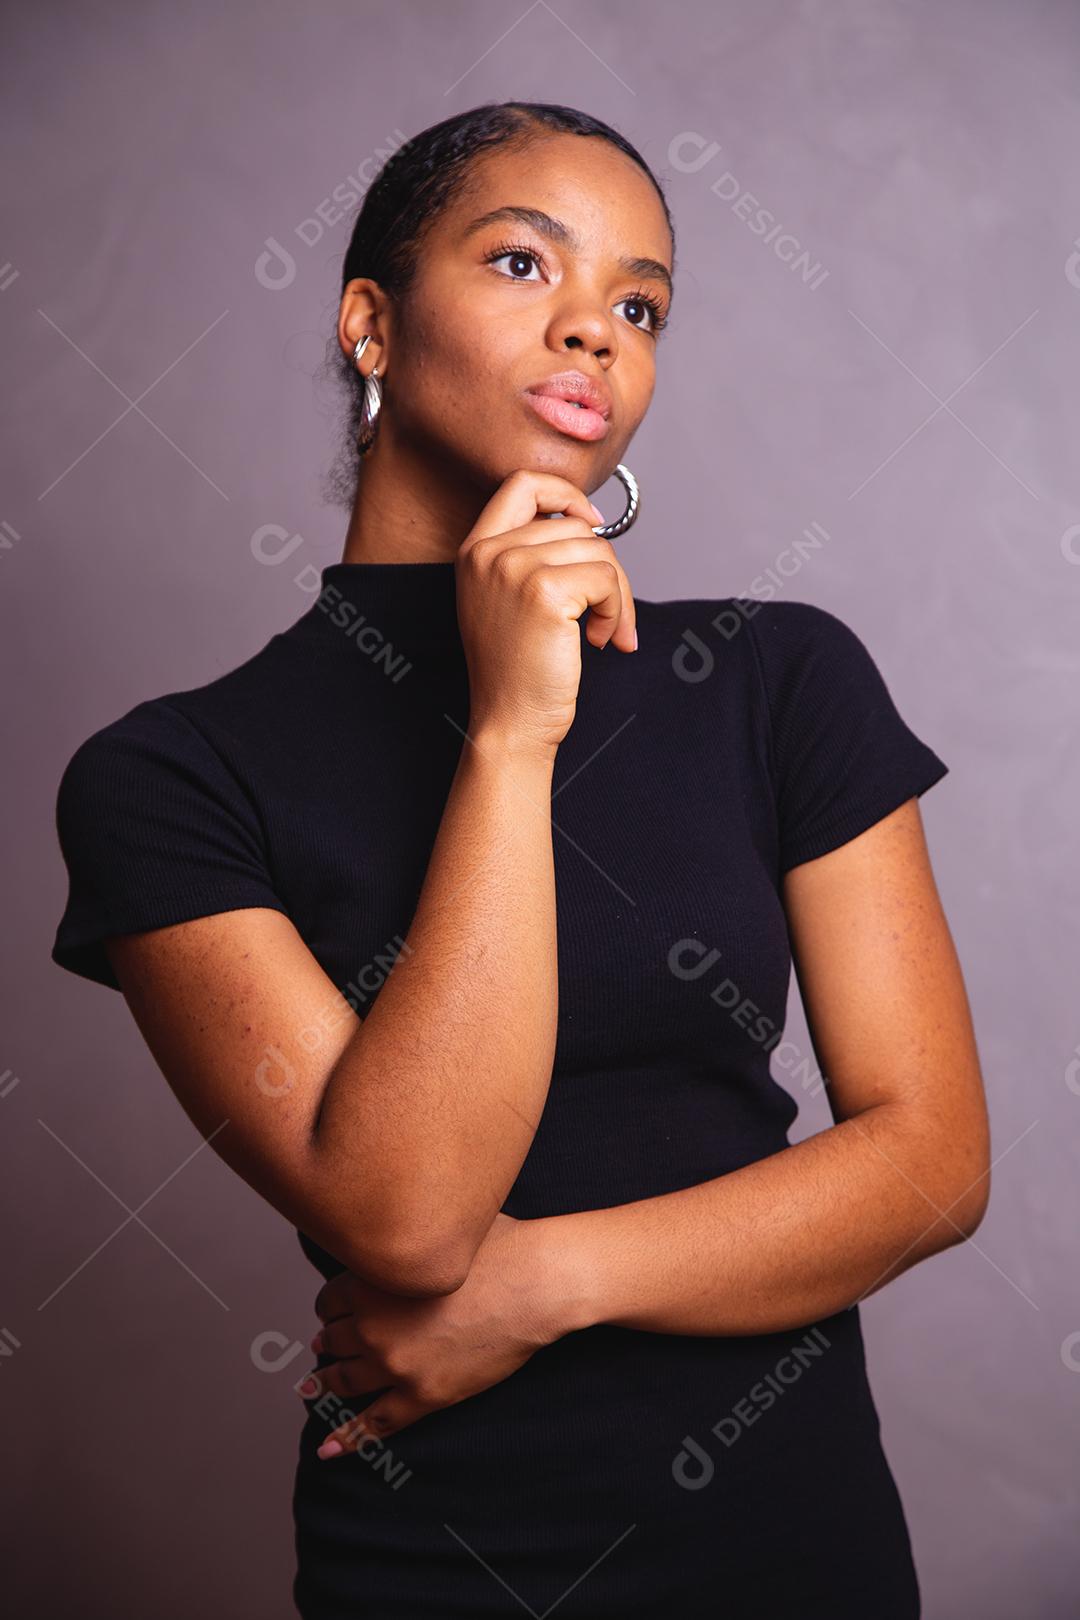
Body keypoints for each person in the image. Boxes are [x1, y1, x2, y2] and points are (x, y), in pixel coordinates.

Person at [50, 100, 990, 1619]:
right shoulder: (170, 776)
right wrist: (506, 738)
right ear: (371, 321)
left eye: (639, 305)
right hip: (439, 1561)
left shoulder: (779, 681)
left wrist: (536, 1293)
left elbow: (932, 1167)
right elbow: (408, 1215)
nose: (595, 334)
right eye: (516, 263)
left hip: (790, 1539)